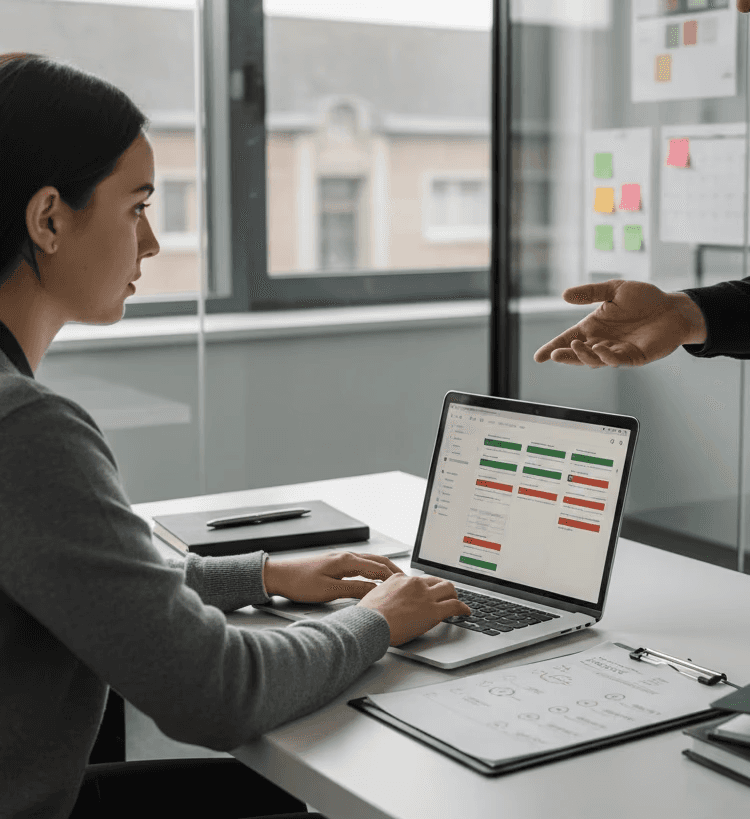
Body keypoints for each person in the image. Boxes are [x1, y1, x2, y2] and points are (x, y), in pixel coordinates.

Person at [0, 53, 471, 819]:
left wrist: (261, 577)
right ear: (49, 218)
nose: (150, 243)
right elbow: (217, 693)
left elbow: (81, 584)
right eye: (135, 207)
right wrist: (377, 619)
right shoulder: (25, 429)